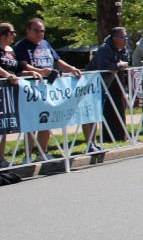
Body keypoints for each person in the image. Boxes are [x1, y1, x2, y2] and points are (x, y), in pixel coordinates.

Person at [13, 18, 82, 162]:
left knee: (47, 121)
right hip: (31, 89)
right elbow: (22, 65)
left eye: (42, 31)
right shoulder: (21, 46)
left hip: (49, 88)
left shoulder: (45, 44)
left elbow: (57, 61)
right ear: (28, 31)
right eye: (36, 30)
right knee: (32, 122)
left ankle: (42, 153)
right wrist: (40, 71)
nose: (40, 33)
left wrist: (71, 68)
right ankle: (27, 156)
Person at [82, 26, 130, 152]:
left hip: (103, 86)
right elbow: (104, 66)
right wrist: (118, 65)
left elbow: (126, 62)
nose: (126, 39)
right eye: (123, 37)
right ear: (114, 38)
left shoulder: (123, 48)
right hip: (89, 84)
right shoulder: (105, 49)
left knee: (96, 115)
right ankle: (89, 144)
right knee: (88, 114)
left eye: (126, 37)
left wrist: (116, 66)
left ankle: (93, 143)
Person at [1, 23, 42, 167]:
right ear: (4, 34)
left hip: (12, 92)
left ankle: (2, 158)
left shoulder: (10, 50)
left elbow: (17, 70)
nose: (14, 35)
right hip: (2, 90)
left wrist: (30, 72)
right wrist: (7, 75)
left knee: (4, 127)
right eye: (12, 32)